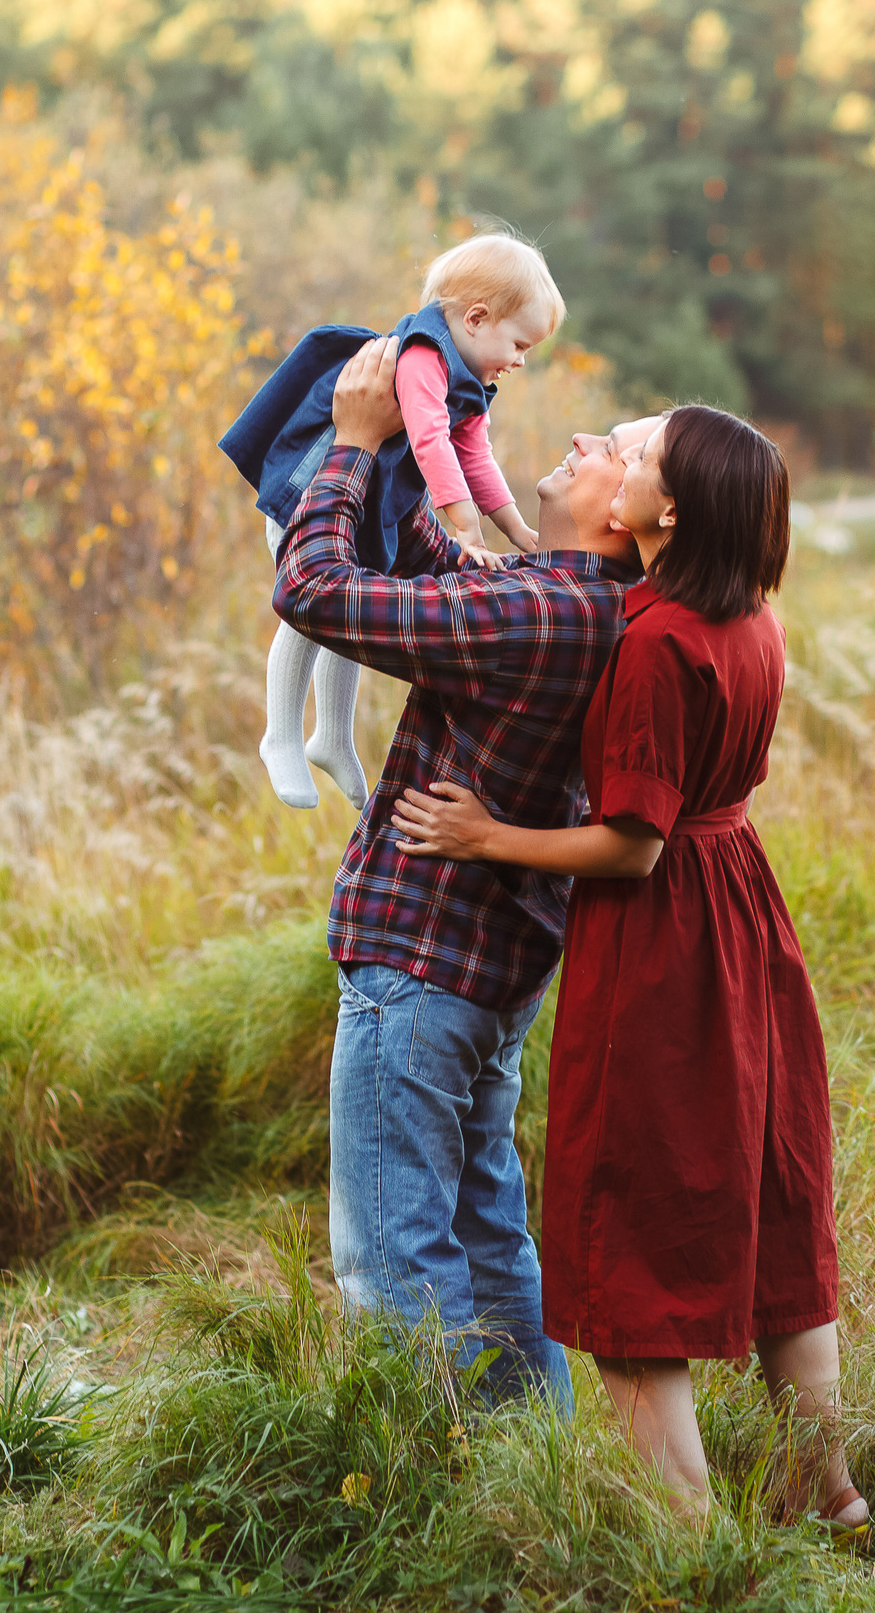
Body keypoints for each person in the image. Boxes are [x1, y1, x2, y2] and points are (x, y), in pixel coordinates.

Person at [391, 406, 865, 1529]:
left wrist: (486, 836)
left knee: (627, 1236)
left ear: (667, 510)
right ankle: (825, 1487)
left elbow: (633, 842)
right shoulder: (750, 618)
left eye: (642, 456)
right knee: (772, 1198)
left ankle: (684, 1538)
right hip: (743, 917)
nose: (620, 459)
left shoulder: (655, 641)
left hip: (663, 945)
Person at [271, 334, 660, 1410]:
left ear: (623, 519)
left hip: (424, 961)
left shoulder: (538, 612)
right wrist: (398, 451)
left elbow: (315, 591)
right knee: (489, 1239)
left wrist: (348, 447)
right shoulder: (575, 603)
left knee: (394, 1257)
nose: (581, 439)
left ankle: (434, 1490)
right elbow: (435, 570)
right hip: (491, 969)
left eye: (608, 452)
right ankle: (531, 1464)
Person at [223, 233, 563, 810]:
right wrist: (465, 529)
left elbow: (475, 456)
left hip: (362, 507)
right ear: (477, 319)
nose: (521, 360)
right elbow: (431, 443)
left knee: (347, 618)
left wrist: (517, 530)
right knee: (308, 617)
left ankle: (331, 736)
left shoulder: (474, 383)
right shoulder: (425, 358)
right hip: (309, 500)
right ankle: (279, 735)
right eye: (519, 343)